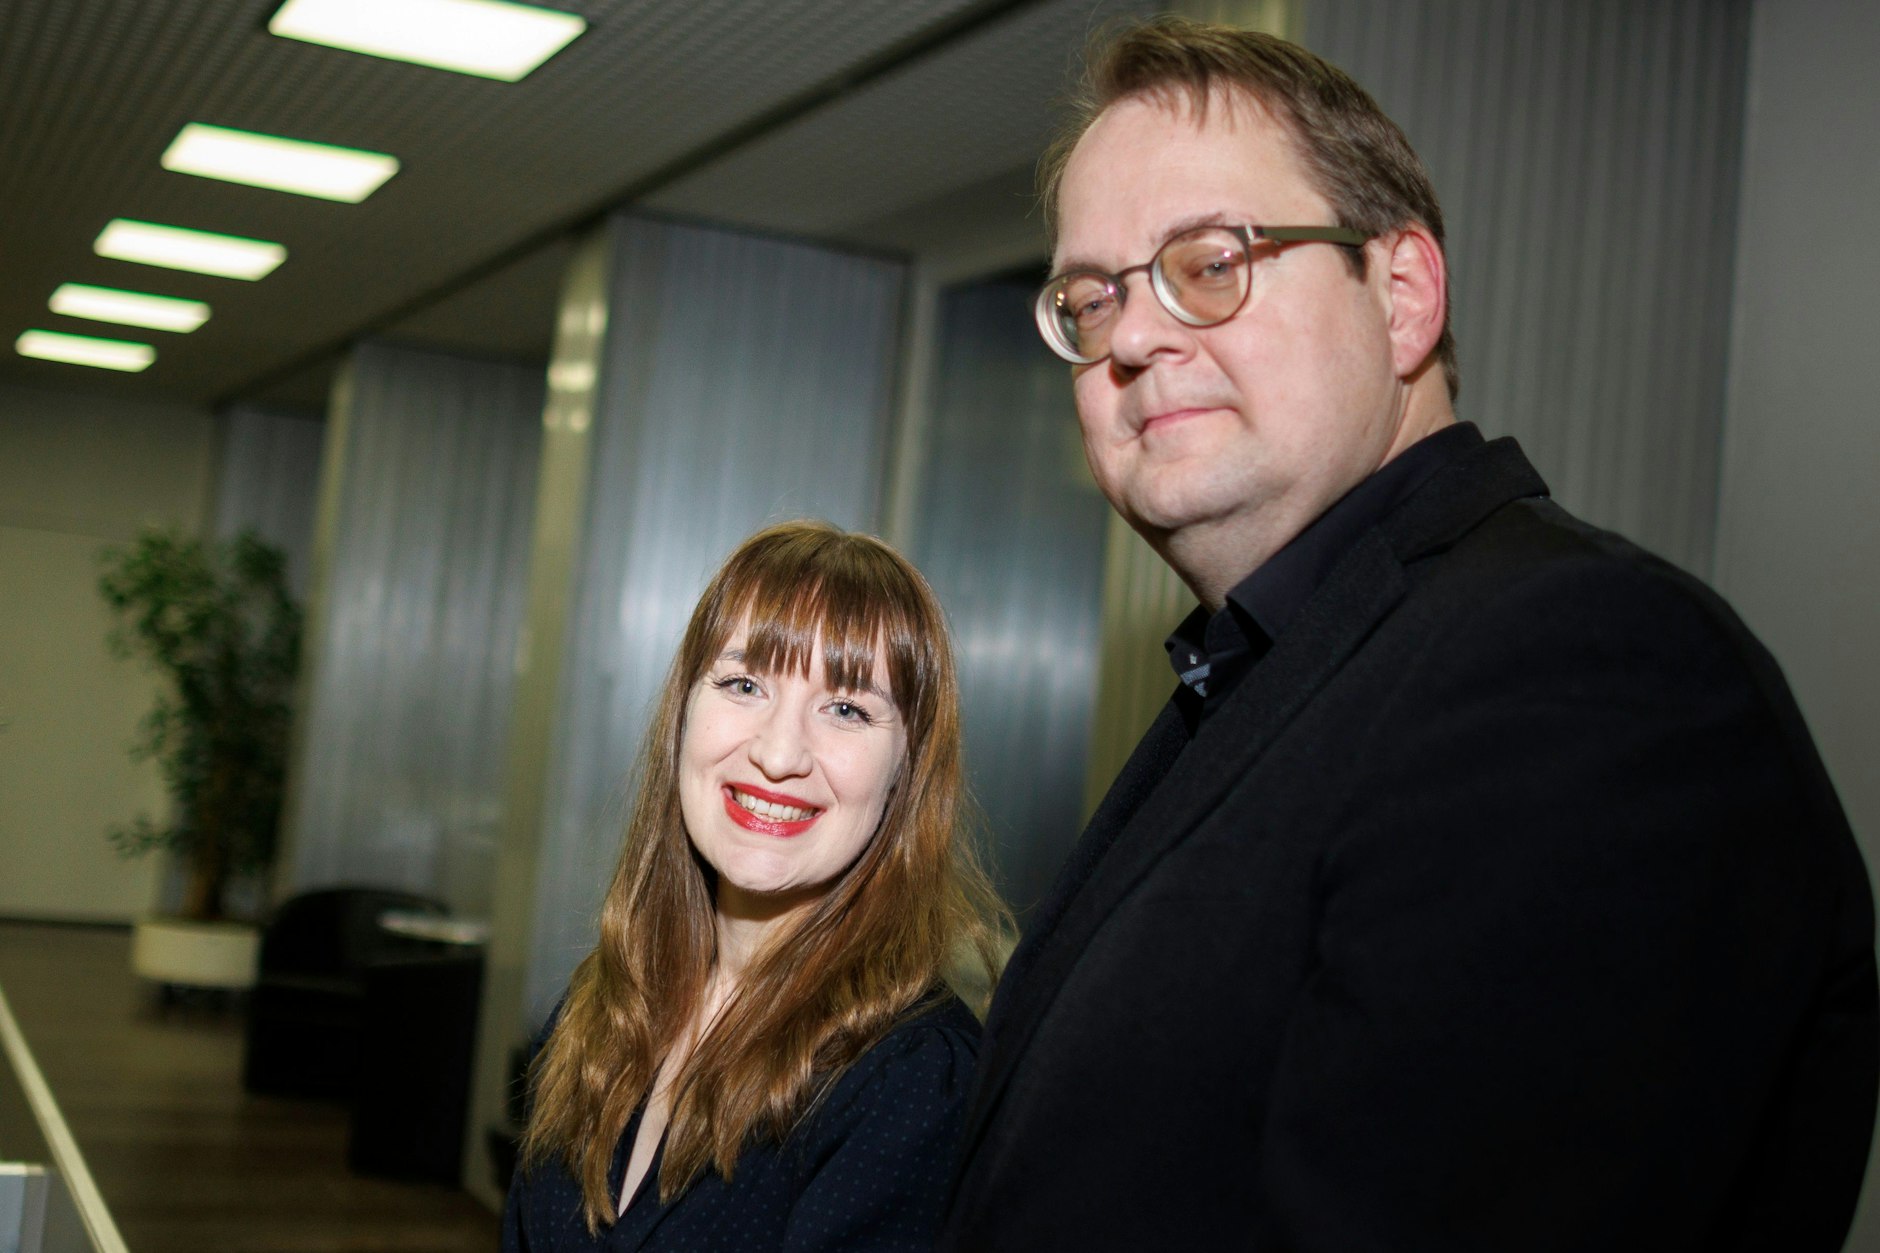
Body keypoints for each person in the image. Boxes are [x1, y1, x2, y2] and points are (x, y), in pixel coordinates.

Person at [942, 16, 1877, 1252]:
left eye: (1209, 263)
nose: (1130, 335)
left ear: (1400, 296)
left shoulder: (1587, 666)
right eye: (1089, 295)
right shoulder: (1263, 669)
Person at [505, 521, 1007, 1251]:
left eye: (846, 708)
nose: (777, 753)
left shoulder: (914, 1082)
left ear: (906, 774)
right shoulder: (600, 1011)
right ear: (684, 712)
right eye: (744, 684)